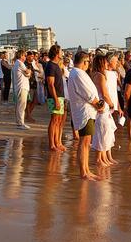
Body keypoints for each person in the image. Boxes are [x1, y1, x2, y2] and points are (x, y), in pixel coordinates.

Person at [67, 51, 106, 180]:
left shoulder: (76, 73)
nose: (89, 64)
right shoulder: (78, 73)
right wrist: (99, 105)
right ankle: (84, 172)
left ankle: (86, 170)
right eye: (88, 62)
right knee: (85, 142)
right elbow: (89, 94)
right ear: (84, 62)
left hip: (86, 111)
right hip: (85, 112)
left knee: (86, 141)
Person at [44, 44, 66, 152]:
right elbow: (50, 84)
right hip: (54, 97)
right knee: (54, 120)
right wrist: (56, 99)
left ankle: (57, 142)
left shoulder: (56, 65)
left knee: (59, 120)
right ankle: (52, 144)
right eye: (61, 51)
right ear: (57, 53)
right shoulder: (50, 66)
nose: (62, 53)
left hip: (60, 96)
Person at [11, 49, 31, 129]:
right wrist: (29, 72)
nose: (25, 57)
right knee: (21, 106)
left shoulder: (17, 63)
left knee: (20, 105)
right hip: (21, 86)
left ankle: (20, 122)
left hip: (20, 86)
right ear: (21, 56)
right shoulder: (20, 63)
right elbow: (28, 72)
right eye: (24, 55)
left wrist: (28, 73)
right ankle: (20, 123)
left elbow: (27, 74)